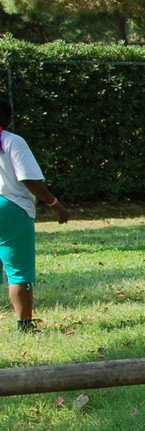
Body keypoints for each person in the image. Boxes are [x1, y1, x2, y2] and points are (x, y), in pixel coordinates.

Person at [0, 95, 70, 332]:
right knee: (19, 271)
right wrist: (54, 204)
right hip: (11, 207)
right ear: (8, 119)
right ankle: (24, 326)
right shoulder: (12, 141)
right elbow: (29, 178)